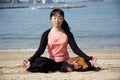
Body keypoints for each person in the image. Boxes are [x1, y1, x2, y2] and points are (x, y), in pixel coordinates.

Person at [23, 8, 97, 73]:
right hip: (50, 62)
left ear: (63, 19)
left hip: (65, 62)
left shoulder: (68, 33)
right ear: (50, 19)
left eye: (60, 18)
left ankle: (87, 63)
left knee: (82, 62)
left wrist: (89, 58)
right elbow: (40, 50)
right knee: (37, 61)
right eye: (54, 18)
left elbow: (75, 49)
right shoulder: (46, 34)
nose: (57, 20)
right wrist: (30, 60)